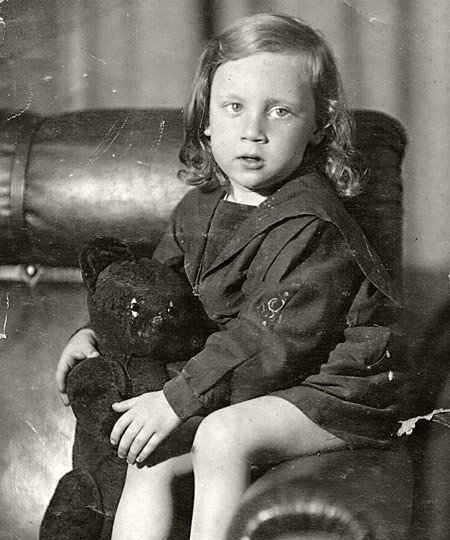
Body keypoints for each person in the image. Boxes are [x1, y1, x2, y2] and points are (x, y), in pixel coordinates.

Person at [56, 13, 407, 540]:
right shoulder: (198, 208)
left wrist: (176, 399)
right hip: (245, 383)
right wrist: (97, 334)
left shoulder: (312, 223)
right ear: (206, 119)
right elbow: (157, 300)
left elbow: (266, 341)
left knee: (222, 435)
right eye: (234, 107)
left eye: (280, 111)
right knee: (150, 456)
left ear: (320, 125)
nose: (253, 130)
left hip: (335, 392)